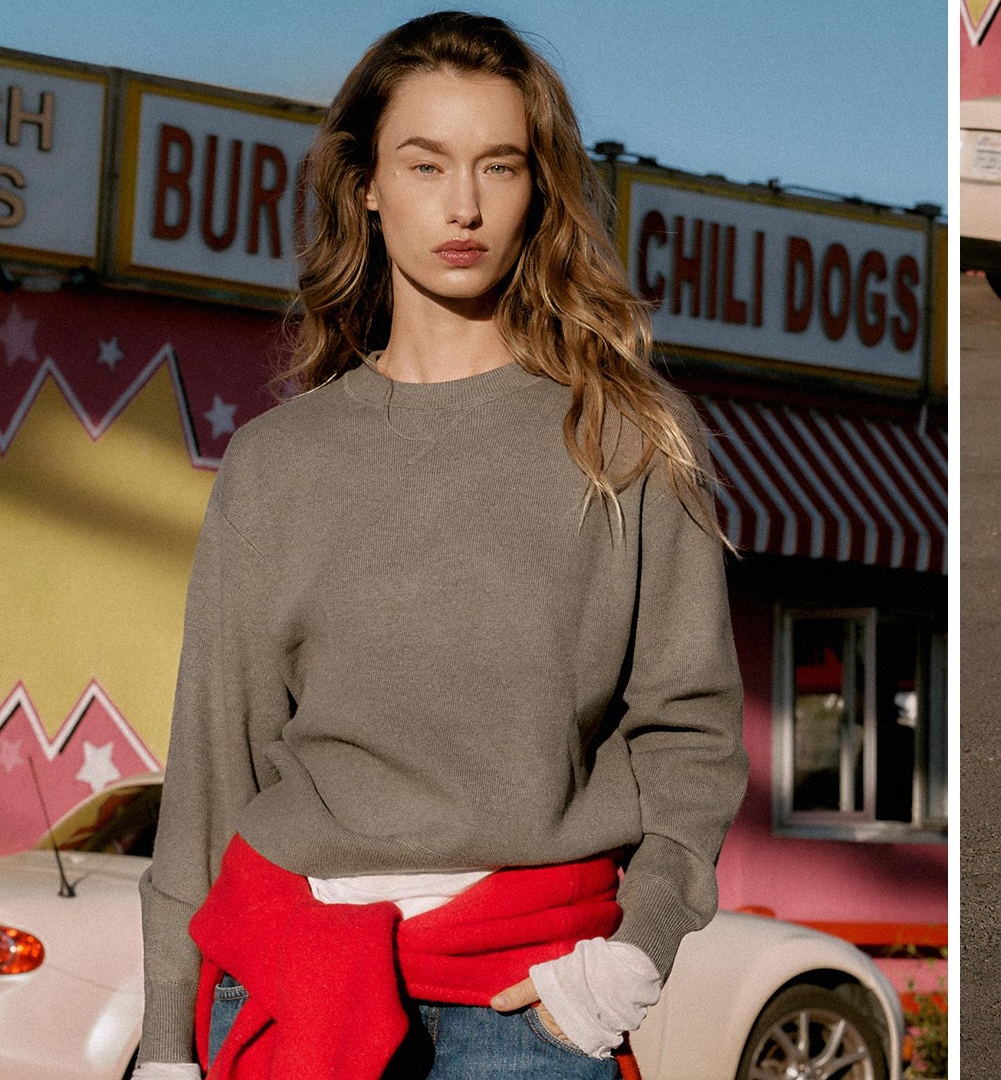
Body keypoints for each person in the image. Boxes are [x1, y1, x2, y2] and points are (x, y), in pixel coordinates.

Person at [132, 12, 746, 1079]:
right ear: (366, 184)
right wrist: (167, 1042)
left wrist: (631, 953)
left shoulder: (624, 438)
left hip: (531, 1004)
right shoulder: (279, 462)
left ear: (537, 187)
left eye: (498, 166)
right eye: (426, 164)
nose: (463, 206)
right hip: (289, 986)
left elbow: (688, 733)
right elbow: (212, 766)